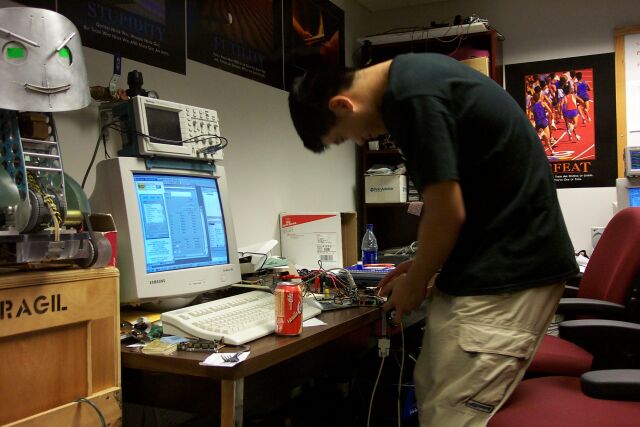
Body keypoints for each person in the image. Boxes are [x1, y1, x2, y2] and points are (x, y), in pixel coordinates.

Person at [287, 52, 578, 427]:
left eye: (346, 134)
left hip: (512, 272)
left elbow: (446, 211)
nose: (360, 140)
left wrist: (418, 280)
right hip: (492, 262)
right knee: (429, 384)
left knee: (452, 412)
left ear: (342, 104)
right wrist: (421, 265)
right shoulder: (416, 78)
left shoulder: (411, 98)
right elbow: (462, 199)